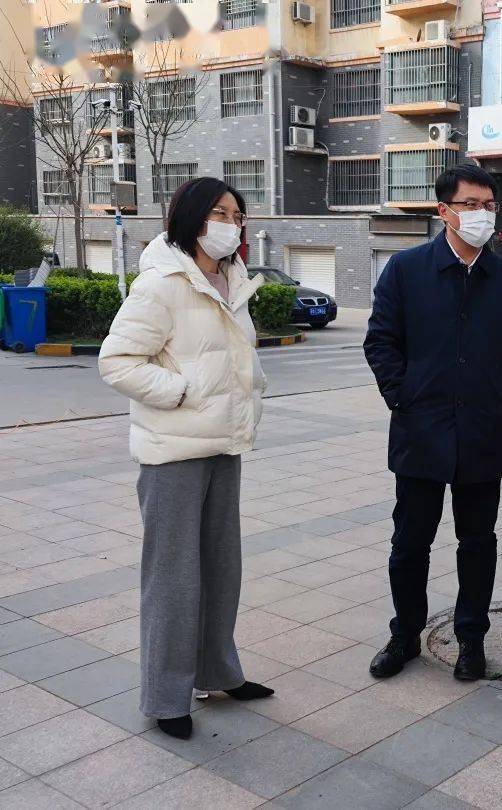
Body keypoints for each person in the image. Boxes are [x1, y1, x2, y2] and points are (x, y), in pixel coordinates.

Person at [99, 177, 276, 740]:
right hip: (174, 451)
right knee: (173, 578)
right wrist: (181, 392)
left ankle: (217, 671)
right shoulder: (163, 283)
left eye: (237, 214)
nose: (230, 222)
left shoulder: (230, 278)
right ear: (192, 218)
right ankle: (166, 697)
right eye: (219, 213)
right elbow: (118, 361)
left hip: (224, 444)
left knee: (221, 570)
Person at [364, 164, 502, 682]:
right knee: (410, 543)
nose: (481, 214)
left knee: (478, 542)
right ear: (444, 211)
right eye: (470, 204)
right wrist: (403, 396)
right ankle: (404, 636)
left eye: (489, 205)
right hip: (420, 431)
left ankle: (471, 638)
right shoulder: (406, 269)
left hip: (483, 433)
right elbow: (380, 341)